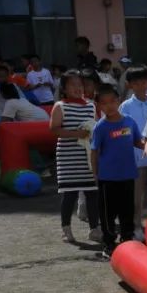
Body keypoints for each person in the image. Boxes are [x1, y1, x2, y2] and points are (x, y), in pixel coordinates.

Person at [89, 85, 143, 259]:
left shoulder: (129, 122)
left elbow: (138, 141)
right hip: (107, 178)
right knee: (108, 213)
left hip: (127, 175)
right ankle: (109, 244)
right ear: (99, 106)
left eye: (112, 101)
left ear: (118, 101)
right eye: (104, 103)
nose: (109, 106)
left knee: (127, 210)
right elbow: (94, 151)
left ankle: (127, 239)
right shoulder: (101, 127)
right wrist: (95, 174)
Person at [50, 70, 100, 244]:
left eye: (80, 85)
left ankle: (95, 229)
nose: (78, 88)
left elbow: (95, 127)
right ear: (64, 88)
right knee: (69, 194)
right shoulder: (60, 106)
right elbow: (54, 129)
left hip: (88, 157)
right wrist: (76, 134)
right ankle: (66, 229)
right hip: (68, 157)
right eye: (73, 85)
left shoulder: (91, 105)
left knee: (92, 194)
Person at [118, 66, 147, 230]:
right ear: (130, 85)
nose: (140, 86)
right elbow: (121, 128)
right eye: (135, 83)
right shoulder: (126, 106)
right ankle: (136, 225)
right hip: (135, 157)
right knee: (136, 195)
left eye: (143, 82)